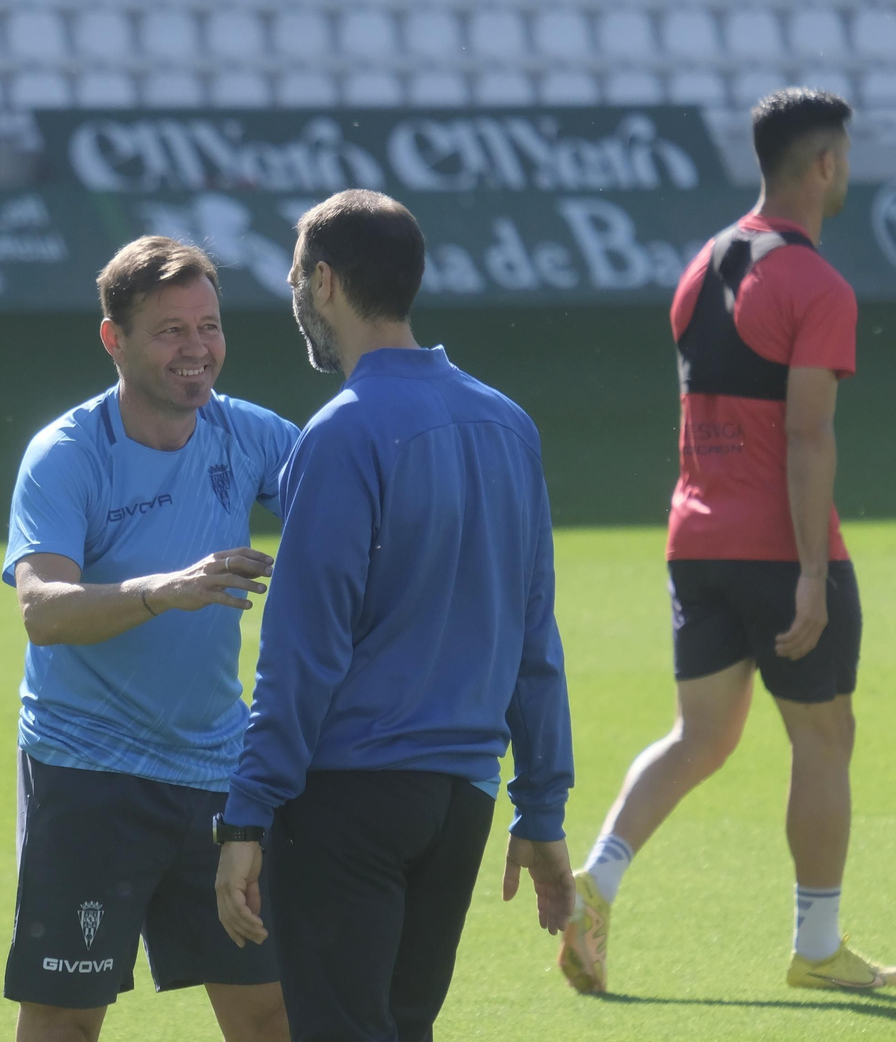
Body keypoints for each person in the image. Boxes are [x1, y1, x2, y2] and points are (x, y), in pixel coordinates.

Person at [558, 89, 896, 995]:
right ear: (825, 164)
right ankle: (819, 945)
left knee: (700, 736)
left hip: (695, 537)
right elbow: (805, 438)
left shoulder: (702, 264)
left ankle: (594, 885)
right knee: (824, 737)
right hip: (776, 547)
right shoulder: (818, 285)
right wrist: (810, 576)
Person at [212, 190, 576, 1042]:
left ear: (326, 282)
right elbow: (535, 639)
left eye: (297, 276)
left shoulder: (341, 436)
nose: (295, 295)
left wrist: (248, 813)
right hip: (462, 805)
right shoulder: (507, 425)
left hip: (350, 797)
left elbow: (301, 654)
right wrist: (543, 806)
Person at [1, 237, 297, 1042]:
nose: (197, 349)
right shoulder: (66, 455)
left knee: (269, 1006)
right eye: (170, 331)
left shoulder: (247, 435)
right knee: (65, 1017)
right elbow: (44, 610)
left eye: (209, 325)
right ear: (114, 339)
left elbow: (352, 496)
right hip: (89, 773)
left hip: (220, 772)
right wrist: (165, 591)